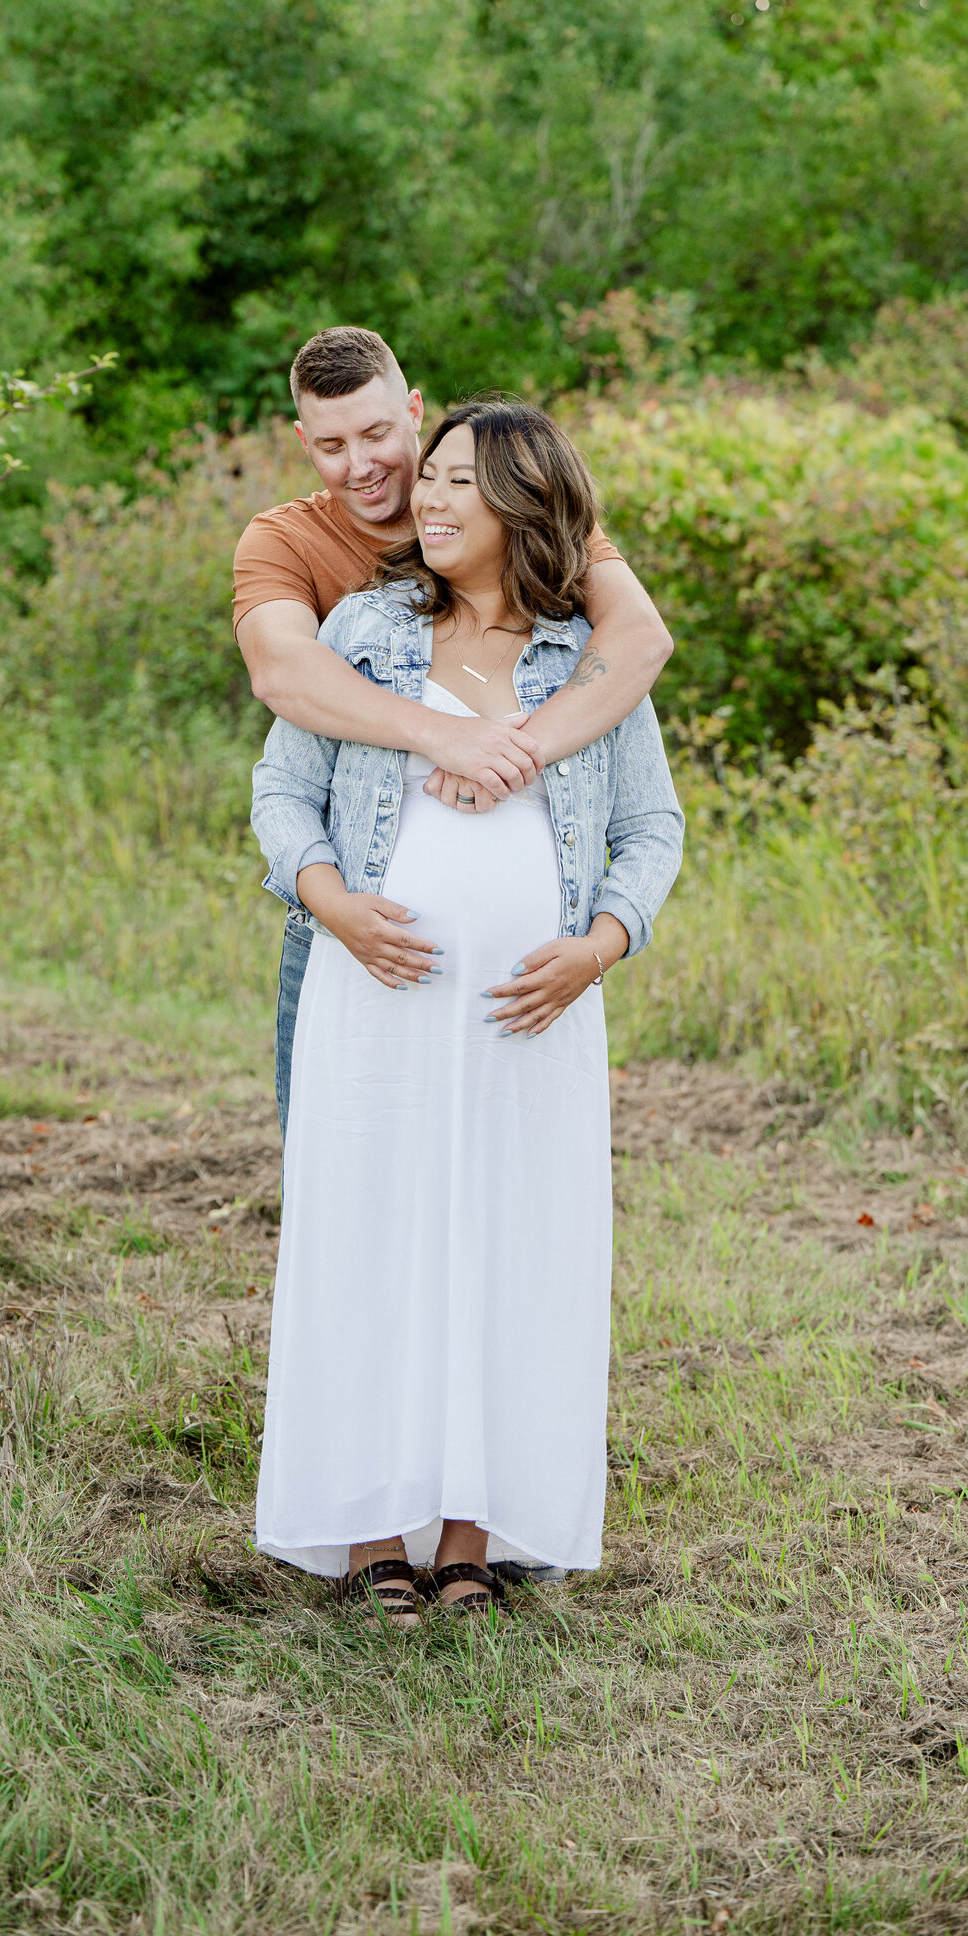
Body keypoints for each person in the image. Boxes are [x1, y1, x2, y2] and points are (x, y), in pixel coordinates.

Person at [249, 401, 684, 1623]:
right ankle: (376, 1535)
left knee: (510, 1249)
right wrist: (332, 901)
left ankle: (469, 1537)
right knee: (372, 1239)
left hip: (528, 1022)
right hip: (376, 998)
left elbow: (651, 827)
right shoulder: (366, 628)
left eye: (456, 484)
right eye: (424, 478)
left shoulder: (586, 652)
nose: (423, 501)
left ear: (522, 505)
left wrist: (596, 947)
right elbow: (284, 790)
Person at [234, 326, 673, 1144]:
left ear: (413, 410)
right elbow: (282, 675)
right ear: (302, 442)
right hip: (351, 933)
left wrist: (513, 751)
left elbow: (638, 640)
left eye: (377, 435)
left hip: (523, 986)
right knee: (339, 1166)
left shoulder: (520, 505)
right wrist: (446, 736)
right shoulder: (288, 542)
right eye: (330, 445)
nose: (361, 464)